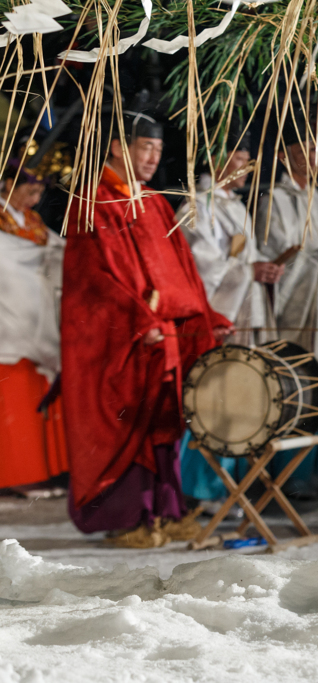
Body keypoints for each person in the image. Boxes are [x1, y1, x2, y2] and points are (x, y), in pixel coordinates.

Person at [62, 111, 233, 547]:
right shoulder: (92, 203)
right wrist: (139, 320)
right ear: (119, 146)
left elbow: (183, 275)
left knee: (165, 425)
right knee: (128, 426)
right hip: (124, 340)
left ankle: (168, 511)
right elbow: (92, 284)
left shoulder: (155, 203)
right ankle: (130, 518)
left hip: (167, 337)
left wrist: (208, 320)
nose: (154, 157)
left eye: (158, 148)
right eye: (145, 146)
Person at [176, 126, 283, 508]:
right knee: (212, 396)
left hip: (243, 311)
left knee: (238, 395)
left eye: (248, 162)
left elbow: (241, 261)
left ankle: (233, 484)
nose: (245, 168)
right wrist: (247, 272)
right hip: (216, 316)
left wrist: (260, 269)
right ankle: (200, 489)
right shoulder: (195, 204)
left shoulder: (235, 205)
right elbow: (199, 264)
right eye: (238, 159)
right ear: (216, 158)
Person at [256, 111, 318, 500]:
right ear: (283, 155)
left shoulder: (316, 196)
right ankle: (291, 476)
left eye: (314, 146)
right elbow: (276, 255)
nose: (313, 154)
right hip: (294, 311)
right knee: (296, 389)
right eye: (304, 148)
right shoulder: (273, 200)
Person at [0, 150, 68, 497]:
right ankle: (13, 476)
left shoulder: (33, 221)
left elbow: (53, 249)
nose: (35, 198)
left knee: (34, 392)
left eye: (40, 192)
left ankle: (37, 472)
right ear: (8, 185)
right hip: (8, 317)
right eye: (29, 190)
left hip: (34, 314)